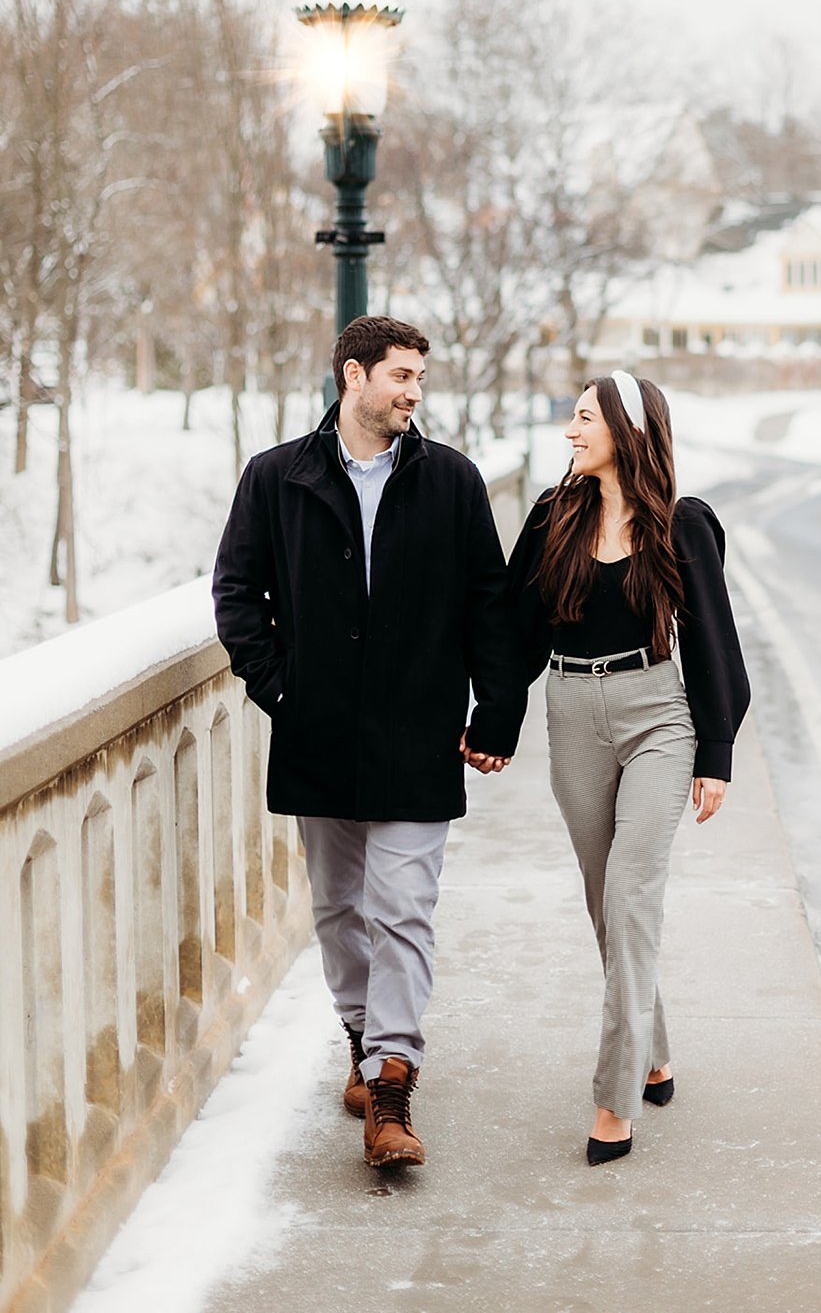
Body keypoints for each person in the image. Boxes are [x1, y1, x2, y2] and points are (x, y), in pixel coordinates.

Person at [212, 315, 517, 1171]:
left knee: (405, 910)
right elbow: (236, 591)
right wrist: (278, 687)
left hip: (420, 736)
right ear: (354, 376)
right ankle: (358, 1035)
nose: (413, 392)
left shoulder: (452, 481)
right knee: (340, 909)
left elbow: (487, 605)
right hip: (319, 737)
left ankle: (392, 1085)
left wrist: (495, 714)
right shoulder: (277, 477)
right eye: (400, 376)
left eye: (420, 377)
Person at [467, 369, 750, 1165]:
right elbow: (513, 631)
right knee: (606, 904)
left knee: (630, 897)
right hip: (571, 711)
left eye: (584, 417)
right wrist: (496, 720)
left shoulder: (683, 524)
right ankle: (653, 1048)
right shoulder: (553, 516)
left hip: (659, 712)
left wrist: (716, 748)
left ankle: (613, 1100)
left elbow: (714, 642)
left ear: (626, 428)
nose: (570, 431)